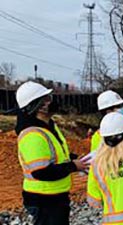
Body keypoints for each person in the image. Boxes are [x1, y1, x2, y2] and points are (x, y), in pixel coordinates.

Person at [15, 81, 89, 225]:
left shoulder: (48, 126)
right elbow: (41, 172)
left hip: (54, 197)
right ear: (39, 106)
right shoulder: (33, 135)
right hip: (44, 199)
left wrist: (74, 158)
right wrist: (73, 166)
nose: (52, 101)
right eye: (47, 99)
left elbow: (55, 155)